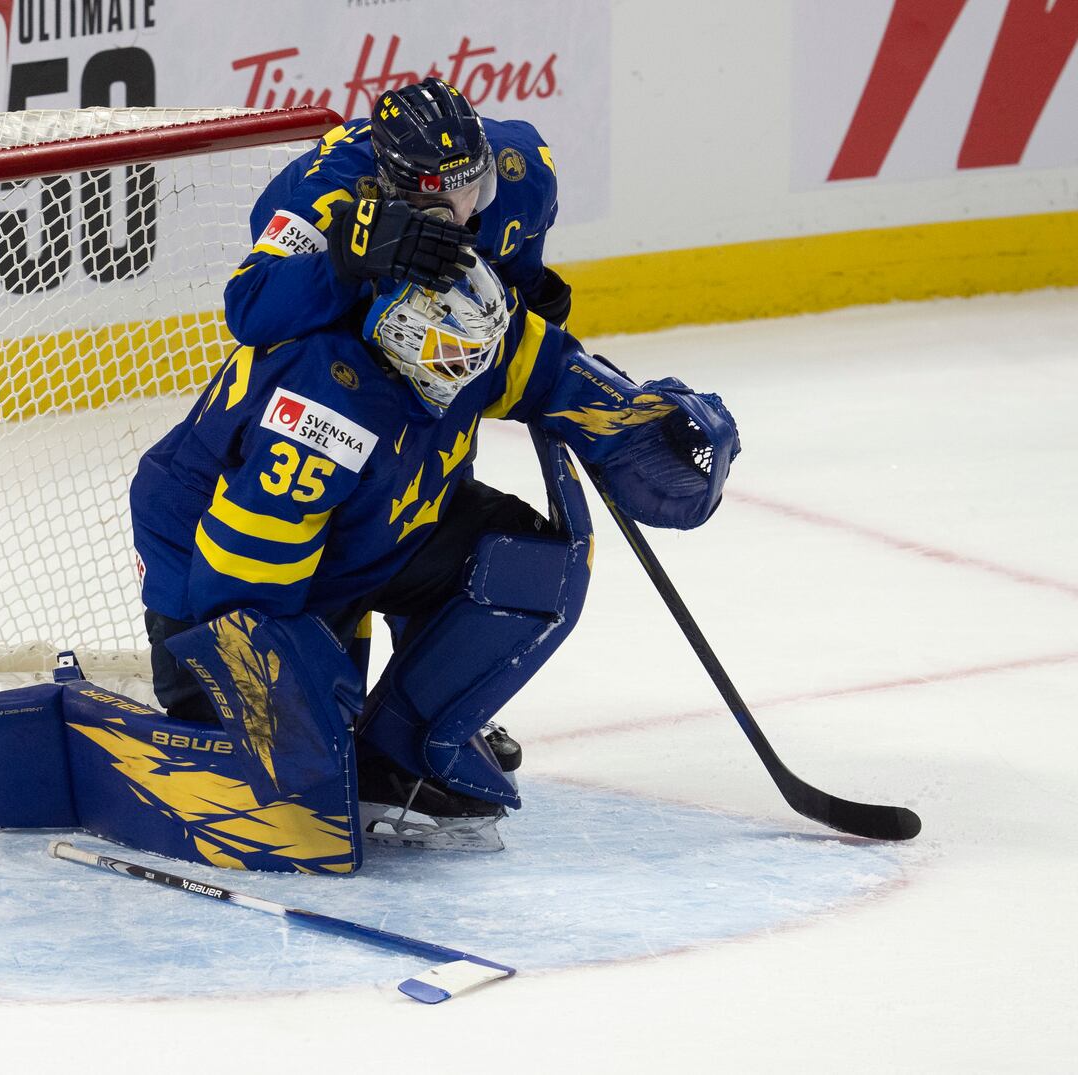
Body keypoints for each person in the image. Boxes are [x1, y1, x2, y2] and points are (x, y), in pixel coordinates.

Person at [131, 259, 739, 852]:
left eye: (480, 350)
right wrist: (295, 709)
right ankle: (234, 724)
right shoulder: (323, 407)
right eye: (457, 352)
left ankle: (400, 757)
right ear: (402, 331)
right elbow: (242, 587)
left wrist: (641, 423)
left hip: (353, 544)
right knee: (287, 779)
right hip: (213, 584)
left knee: (526, 563)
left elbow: (547, 369)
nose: (471, 366)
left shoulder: (448, 337)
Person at [223, 77, 573, 355]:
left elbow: (519, 257)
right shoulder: (337, 190)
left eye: (472, 191)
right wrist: (350, 259)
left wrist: (532, 292)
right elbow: (248, 305)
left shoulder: (522, 168)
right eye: (434, 202)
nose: (457, 218)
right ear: (388, 184)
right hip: (321, 271)